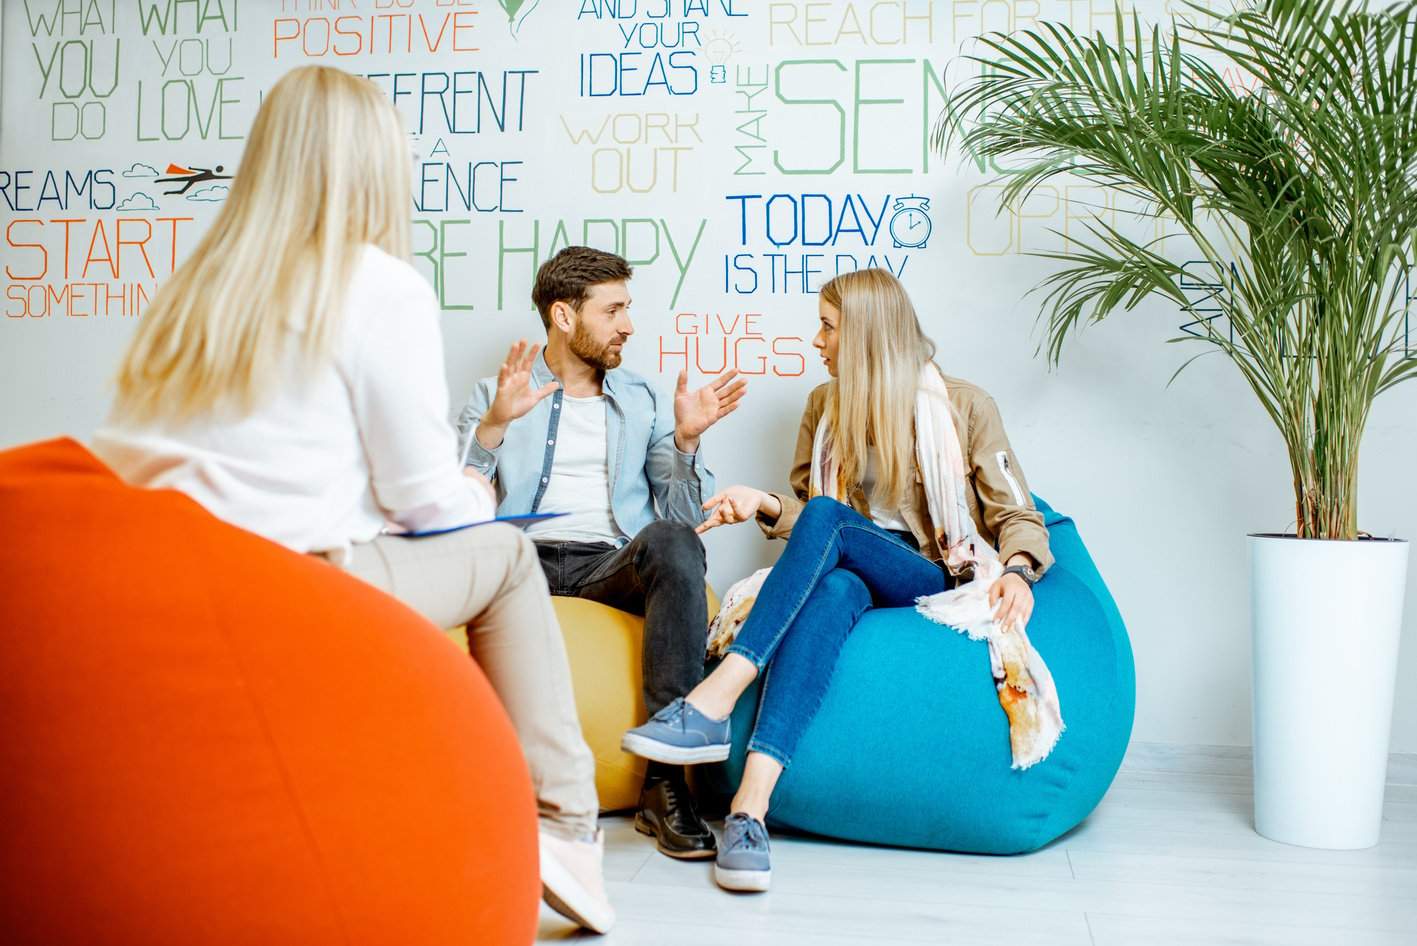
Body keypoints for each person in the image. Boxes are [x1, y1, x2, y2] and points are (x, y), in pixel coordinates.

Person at [91, 66, 615, 935]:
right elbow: (423, 504)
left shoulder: (200, 286)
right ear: (378, 169)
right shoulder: (378, 284)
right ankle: (565, 831)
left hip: (163, 584)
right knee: (510, 556)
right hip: (292, 589)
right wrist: (474, 484)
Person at [620, 268, 1055, 893]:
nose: (816, 342)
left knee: (831, 519)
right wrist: (766, 505)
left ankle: (715, 698)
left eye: (827, 327)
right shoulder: (824, 407)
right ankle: (749, 811)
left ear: (868, 335)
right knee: (831, 590)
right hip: (849, 569)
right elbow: (808, 521)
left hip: (927, 570)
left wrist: (1018, 570)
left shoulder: (964, 405)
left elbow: (1016, 511)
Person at [457, 245, 746, 861]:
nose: (629, 326)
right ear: (564, 316)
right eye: (613, 311)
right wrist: (492, 429)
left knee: (671, 543)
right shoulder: (496, 392)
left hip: (606, 562)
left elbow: (682, 523)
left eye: (628, 309)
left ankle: (664, 785)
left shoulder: (640, 396)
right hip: (521, 560)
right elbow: (451, 504)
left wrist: (686, 444)